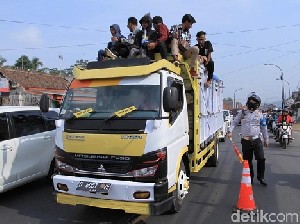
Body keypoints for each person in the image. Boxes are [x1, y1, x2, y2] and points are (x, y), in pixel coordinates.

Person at [227, 92, 269, 186]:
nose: (252, 102)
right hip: (245, 141)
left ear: (257, 104)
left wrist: (266, 139)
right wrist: (230, 131)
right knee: (247, 161)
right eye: (251, 100)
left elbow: (264, 127)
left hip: (257, 140)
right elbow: (234, 123)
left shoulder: (260, 114)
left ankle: (261, 177)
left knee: (261, 158)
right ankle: (250, 178)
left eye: (254, 101)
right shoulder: (242, 113)